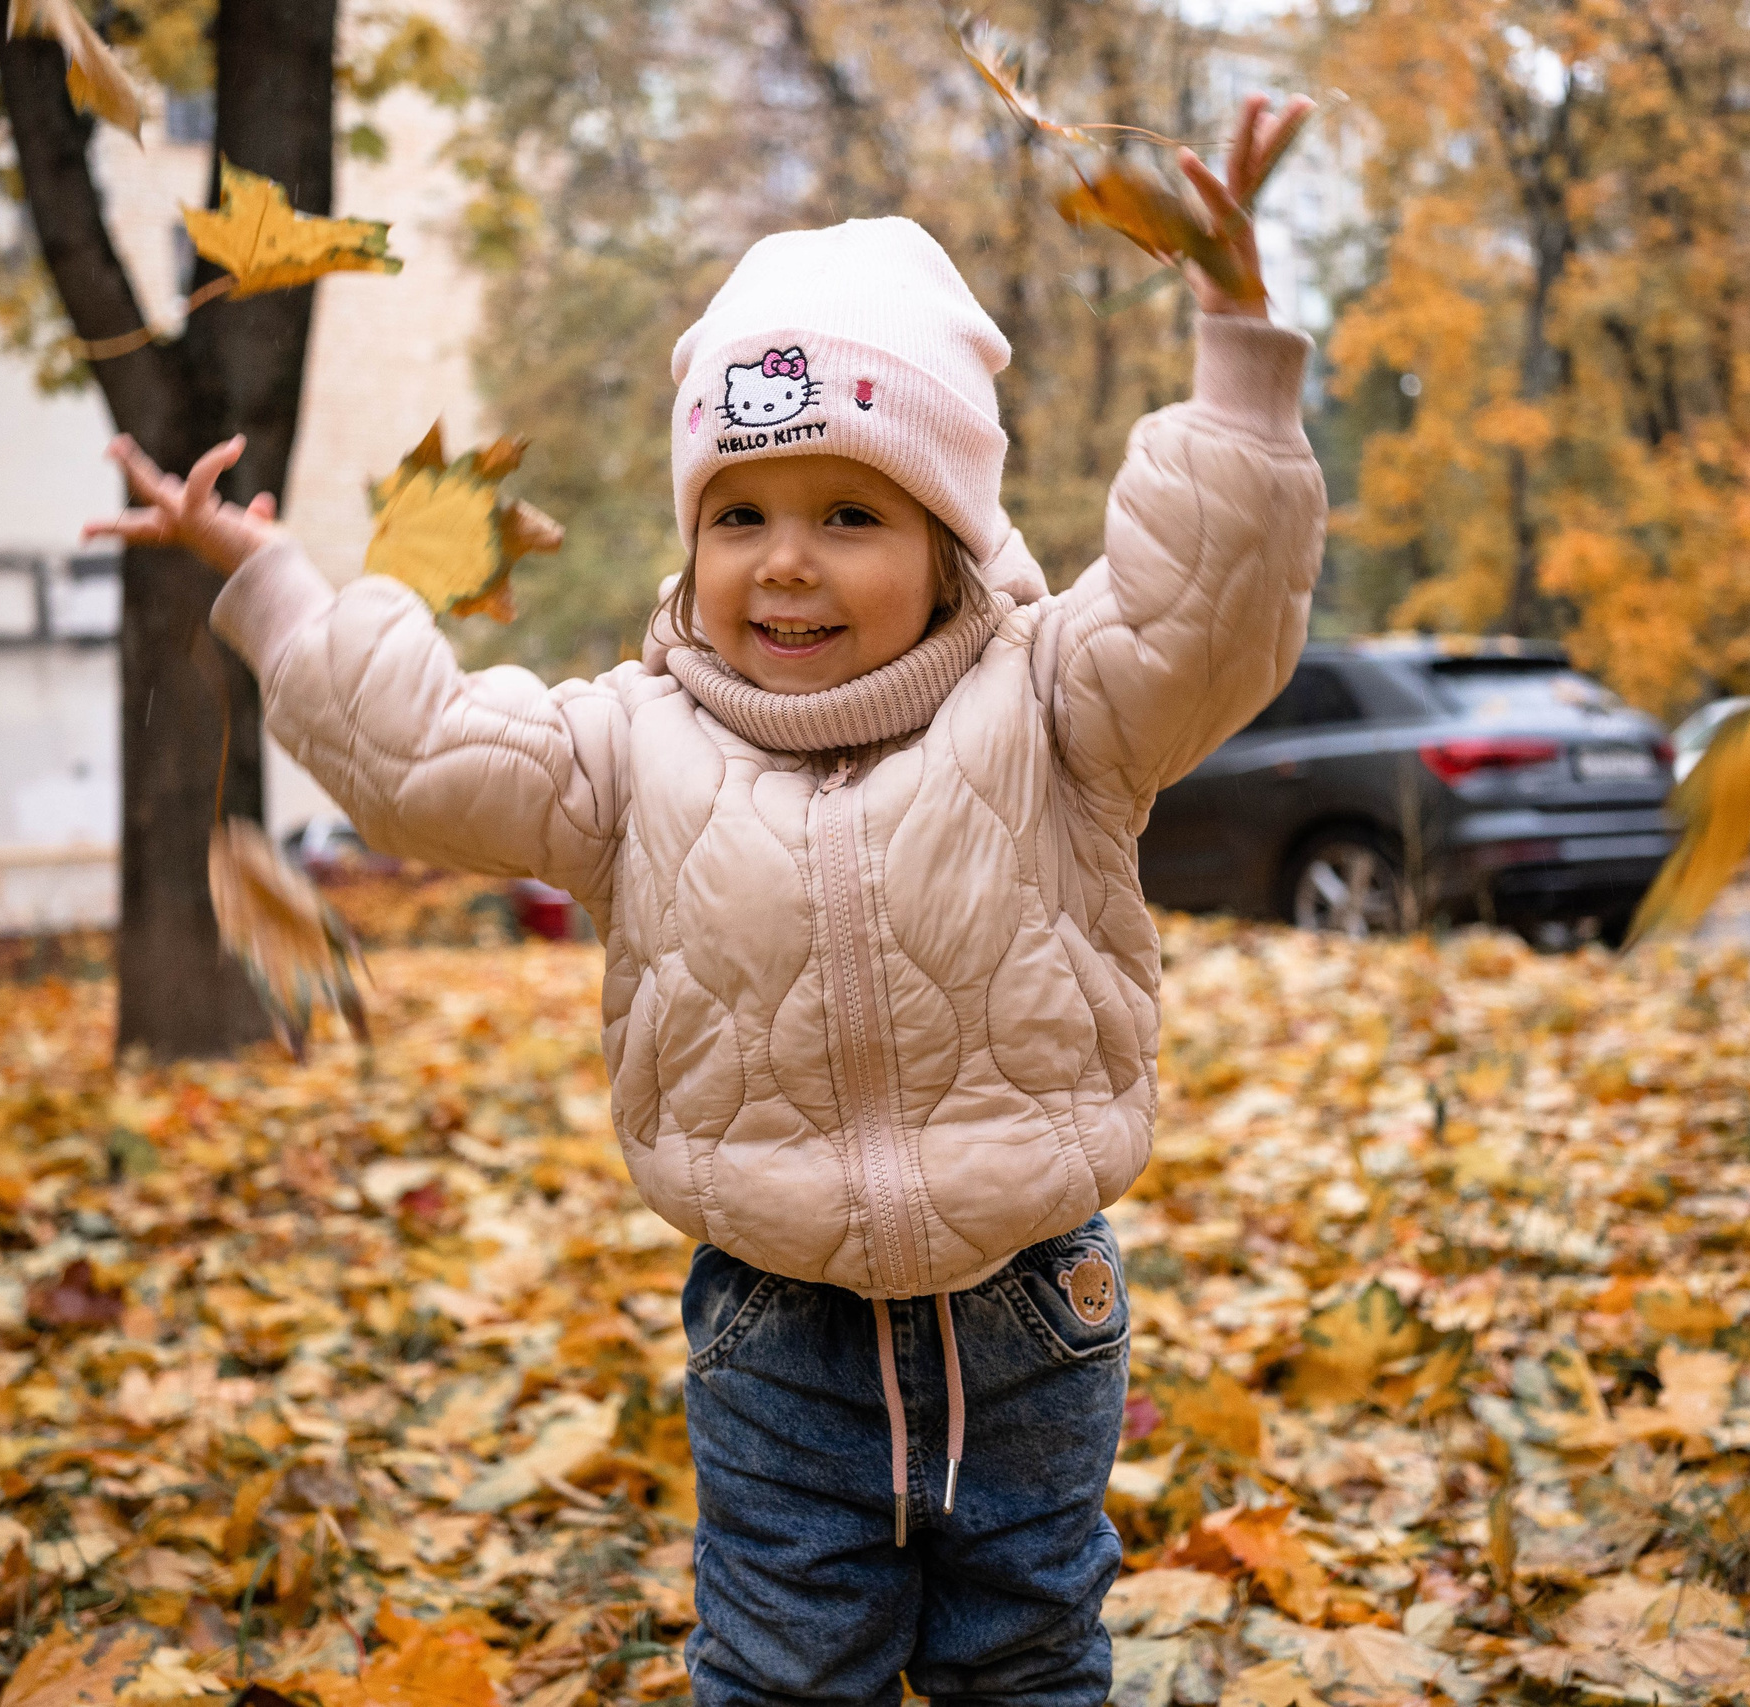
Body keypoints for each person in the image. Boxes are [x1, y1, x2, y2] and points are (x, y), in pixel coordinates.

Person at [88, 93, 1325, 1707]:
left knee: (1028, 1660)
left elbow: (1206, 614)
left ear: (951, 541)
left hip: (1032, 1316)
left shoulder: (1057, 702)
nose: (783, 563)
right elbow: (421, 755)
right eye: (739, 515)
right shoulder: (629, 746)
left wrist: (1236, 357)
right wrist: (273, 587)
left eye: (849, 515)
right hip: (776, 1334)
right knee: (782, 1671)